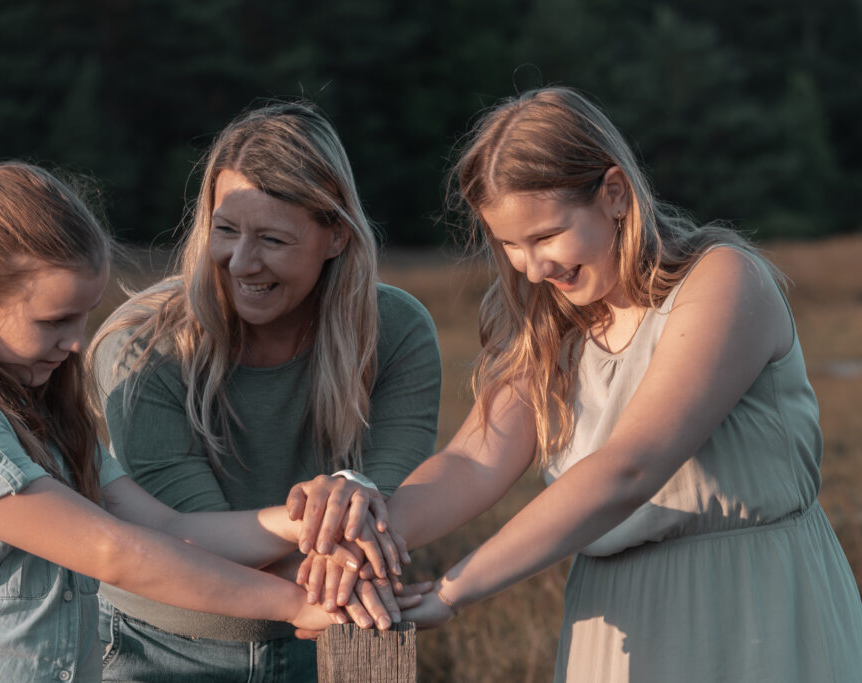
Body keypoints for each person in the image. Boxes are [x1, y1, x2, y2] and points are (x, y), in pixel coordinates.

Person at [290, 86, 862, 681]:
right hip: (612, 621)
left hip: (753, 610)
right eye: (510, 245)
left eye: (545, 237)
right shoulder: (549, 327)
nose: (534, 268)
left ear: (614, 194)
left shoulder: (723, 282)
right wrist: (364, 543)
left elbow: (629, 467)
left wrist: (456, 589)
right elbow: (471, 462)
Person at [0, 162, 403, 683]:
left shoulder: (41, 418)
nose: (78, 341)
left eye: (84, 315)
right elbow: (115, 552)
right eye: (55, 320)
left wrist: (309, 520)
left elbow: (166, 528)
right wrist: (297, 604)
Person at [89, 100, 442, 681]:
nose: (241, 262)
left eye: (273, 240)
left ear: (334, 236)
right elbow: (196, 538)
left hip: (332, 641)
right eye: (225, 231)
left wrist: (358, 505)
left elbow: (397, 508)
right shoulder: (140, 345)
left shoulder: (397, 331)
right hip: (157, 649)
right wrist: (347, 556)